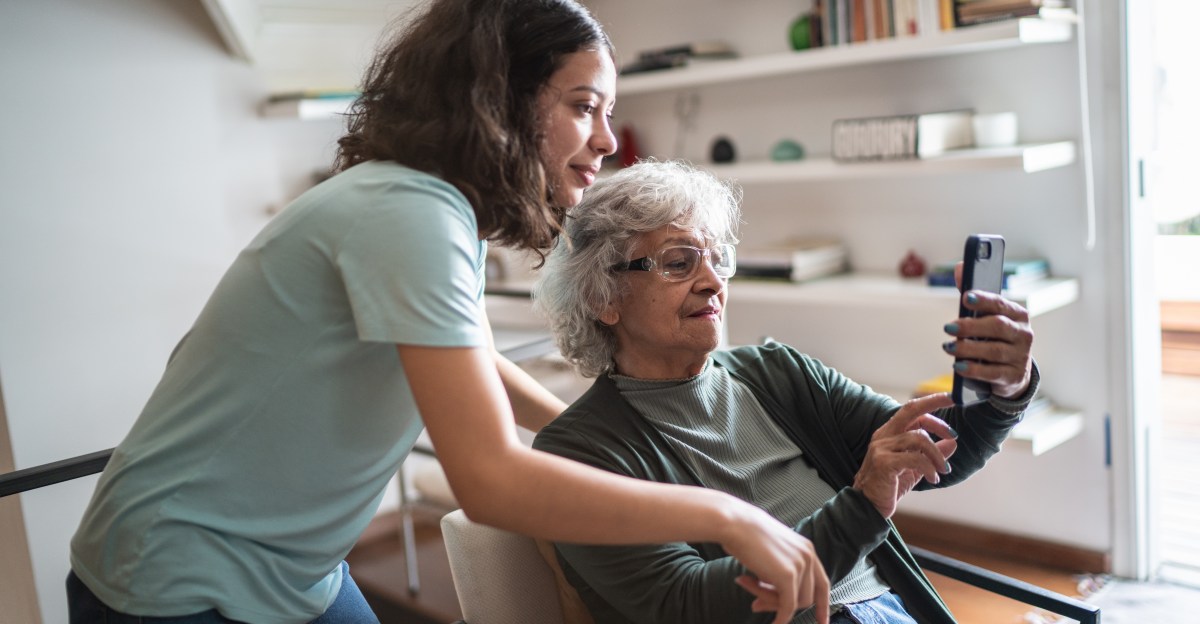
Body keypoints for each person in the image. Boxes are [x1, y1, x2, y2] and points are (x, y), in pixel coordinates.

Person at [66, 2, 828, 624]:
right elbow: (488, 481)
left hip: (292, 570)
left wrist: (590, 430)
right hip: (178, 569)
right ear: (502, 100)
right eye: (583, 106)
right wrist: (728, 517)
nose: (603, 139)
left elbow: (476, 366)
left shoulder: (422, 206)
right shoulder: (409, 213)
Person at [531, 160, 1039, 624]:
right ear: (603, 297)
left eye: (715, 257)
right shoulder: (576, 454)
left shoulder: (776, 371)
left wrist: (1005, 386)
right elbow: (688, 604)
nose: (712, 281)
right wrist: (861, 507)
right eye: (679, 262)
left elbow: (937, 452)